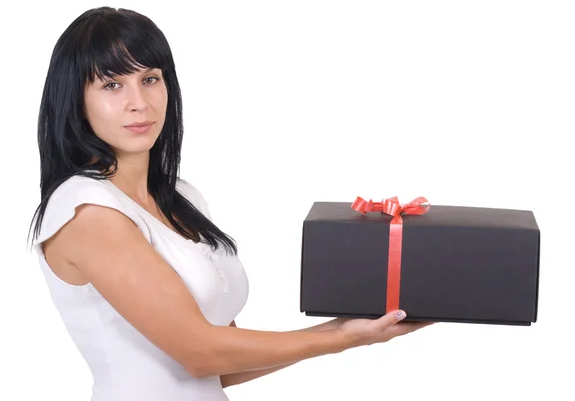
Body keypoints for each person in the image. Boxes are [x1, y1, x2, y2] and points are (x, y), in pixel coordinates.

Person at [28, 6, 432, 401]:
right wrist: (341, 339)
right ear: (76, 99)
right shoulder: (87, 212)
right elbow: (199, 353)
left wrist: (342, 330)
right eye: (112, 85)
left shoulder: (181, 198)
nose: (139, 102)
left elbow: (225, 366)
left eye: (150, 79)